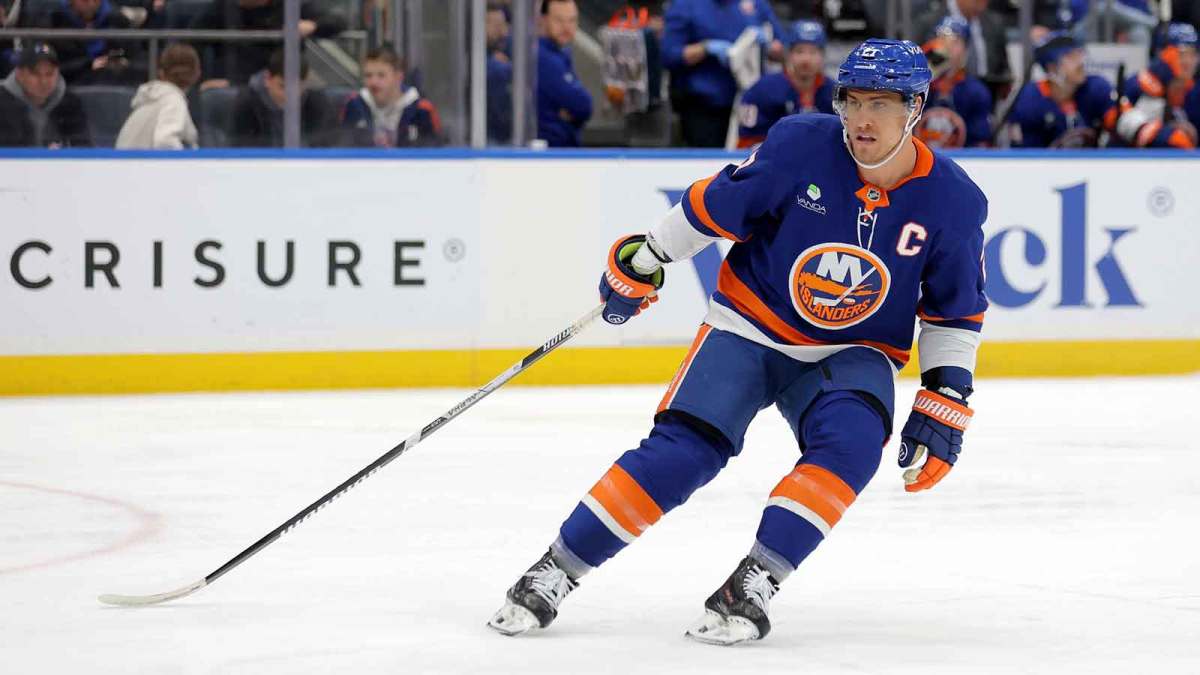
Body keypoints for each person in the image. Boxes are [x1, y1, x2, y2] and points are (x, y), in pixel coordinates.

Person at [488, 38, 988, 645]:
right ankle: (556, 570)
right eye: (852, 101)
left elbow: (954, 311)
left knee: (853, 446)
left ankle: (753, 582)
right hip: (749, 327)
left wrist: (947, 394)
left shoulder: (953, 201)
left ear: (915, 107)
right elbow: (713, 205)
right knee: (682, 453)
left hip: (849, 352)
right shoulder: (801, 145)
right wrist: (648, 255)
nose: (861, 119)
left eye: (880, 104)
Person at [661, 0, 786, 147]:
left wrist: (768, 44)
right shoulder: (686, 5)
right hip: (704, 105)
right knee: (707, 160)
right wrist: (705, 48)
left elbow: (784, 51)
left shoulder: (757, 4)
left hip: (750, 105)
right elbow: (668, 55)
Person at [190, 0, 346, 87]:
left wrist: (312, 26)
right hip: (231, 86)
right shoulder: (221, 7)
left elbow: (339, 22)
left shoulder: (289, 6)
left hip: (282, 87)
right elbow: (190, 43)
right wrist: (202, 81)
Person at [735, 19, 833, 148]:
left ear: (822, 56)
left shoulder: (835, 92)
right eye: (800, 51)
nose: (806, 59)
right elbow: (746, 142)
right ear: (788, 54)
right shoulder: (761, 90)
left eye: (813, 52)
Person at [1008, 32, 1116, 148]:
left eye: (1079, 55)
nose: (1080, 63)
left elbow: (1121, 123)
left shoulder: (1096, 88)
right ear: (1052, 68)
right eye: (1071, 57)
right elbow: (1026, 156)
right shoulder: (1029, 99)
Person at [1116, 22, 1199, 150]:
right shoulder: (1138, 84)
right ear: (1162, 54)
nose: (1188, 61)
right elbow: (1126, 126)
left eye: (1193, 54)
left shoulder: (1194, 91)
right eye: (1181, 53)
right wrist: (1167, 134)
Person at [340, 45, 442, 148]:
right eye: (368, 75)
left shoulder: (422, 110)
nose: (373, 82)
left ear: (398, 77)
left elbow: (436, 152)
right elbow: (341, 147)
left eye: (381, 75)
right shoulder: (354, 105)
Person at [230, 50, 334, 147]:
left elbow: (327, 145)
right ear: (267, 79)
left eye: (296, 87)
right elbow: (240, 147)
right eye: (282, 86)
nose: (288, 94)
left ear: (305, 83)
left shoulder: (318, 103)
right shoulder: (246, 103)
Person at [916, 16, 992, 148]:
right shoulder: (917, 86)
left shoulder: (976, 92)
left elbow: (980, 143)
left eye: (955, 41)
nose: (947, 47)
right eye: (942, 40)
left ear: (966, 51)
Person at [0, 42, 92, 147]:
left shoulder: (70, 103)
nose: (43, 81)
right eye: (35, 74)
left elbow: (84, 147)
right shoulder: (2, 103)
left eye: (50, 74)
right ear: (20, 74)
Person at [914, 0, 1011, 97]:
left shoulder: (994, 23)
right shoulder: (928, 21)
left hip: (983, 96)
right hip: (935, 95)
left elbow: (1004, 68)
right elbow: (913, 67)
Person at [115, 43, 202, 149]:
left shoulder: (153, 98)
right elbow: (165, 142)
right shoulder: (173, 101)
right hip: (141, 164)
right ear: (196, 73)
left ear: (162, 71)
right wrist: (189, 164)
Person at [43, 0, 147, 85]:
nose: (91, 4)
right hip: (71, 84)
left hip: (113, 82)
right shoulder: (54, 20)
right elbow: (49, 67)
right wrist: (88, 65)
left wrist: (123, 64)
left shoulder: (117, 20)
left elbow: (137, 58)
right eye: (85, 0)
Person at [536, 0, 592, 147]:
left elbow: (583, 107)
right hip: (549, 154)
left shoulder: (562, 53)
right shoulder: (542, 57)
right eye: (559, 20)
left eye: (572, 20)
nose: (566, 27)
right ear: (544, 19)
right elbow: (582, 106)